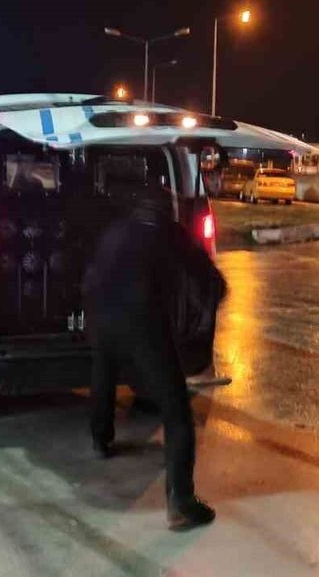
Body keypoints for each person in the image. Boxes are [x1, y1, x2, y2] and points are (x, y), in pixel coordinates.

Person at [83, 187, 219, 531]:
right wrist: (201, 312)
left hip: (101, 318)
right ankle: (182, 502)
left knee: (103, 374)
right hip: (143, 325)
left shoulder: (116, 230)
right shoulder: (168, 233)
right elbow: (210, 280)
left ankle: (101, 438)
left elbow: (91, 275)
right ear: (165, 209)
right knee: (177, 413)